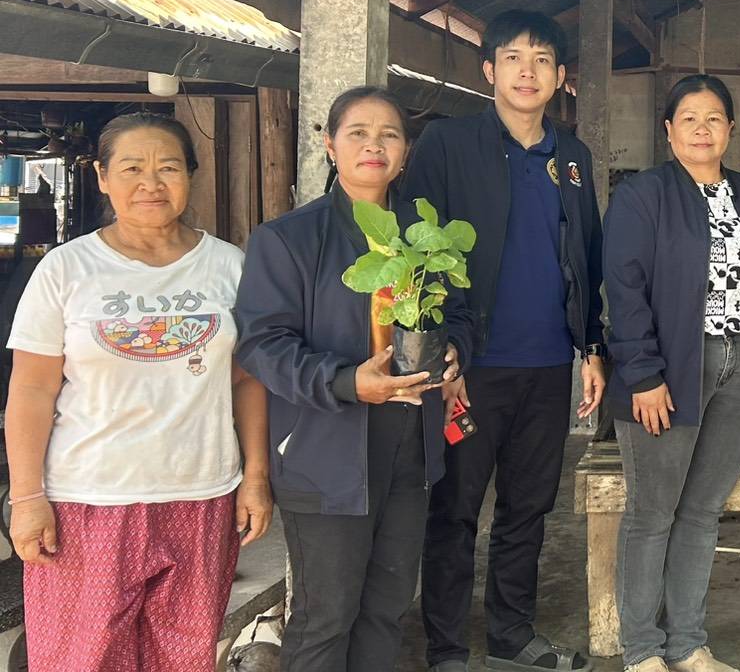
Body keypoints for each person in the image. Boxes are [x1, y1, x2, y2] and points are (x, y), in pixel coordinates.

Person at [5, 113, 271, 672]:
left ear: (190, 176)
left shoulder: (229, 266)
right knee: (81, 658)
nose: (151, 183)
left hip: (201, 493)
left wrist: (256, 478)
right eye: (132, 168)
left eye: (168, 167)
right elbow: (29, 390)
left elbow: (246, 380)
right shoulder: (66, 269)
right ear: (102, 177)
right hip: (88, 500)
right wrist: (28, 499)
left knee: (184, 658)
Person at [236, 86, 472, 672]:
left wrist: (455, 352)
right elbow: (262, 346)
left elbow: (465, 315)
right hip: (328, 445)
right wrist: (345, 381)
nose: (375, 145)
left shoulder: (426, 237)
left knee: (387, 607)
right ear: (330, 146)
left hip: (411, 448)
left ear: (406, 152)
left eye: (389, 134)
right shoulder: (288, 239)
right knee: (327, 615)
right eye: (358, 134)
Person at [410, 10, 608, 672]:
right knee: (457, 509)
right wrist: (444, 348)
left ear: (559, 76)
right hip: (473, 365)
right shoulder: (448, 144)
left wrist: (591, 346)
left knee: (528, 507)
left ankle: (510, 634)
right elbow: (421, 251)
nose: (529, 71)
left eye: (543, 59)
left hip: (548, 364)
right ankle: (444, 647)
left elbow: (587, 255)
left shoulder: (572, 159)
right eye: (515, 57)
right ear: (490, 69)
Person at [605, 74, 740, 672]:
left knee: (703, 511)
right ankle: (641, 650)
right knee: (653, 511)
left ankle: (687, 643)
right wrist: (643, 373)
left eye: (713, 118)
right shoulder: (643, 195)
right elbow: (623, 289)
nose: (702, 128)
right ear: (668, 130)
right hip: (671, 366)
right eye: (688, 118)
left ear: (731, 128)